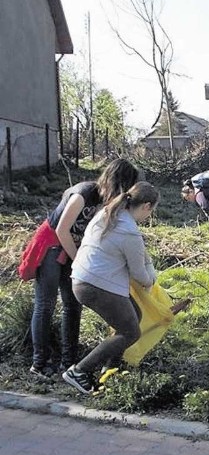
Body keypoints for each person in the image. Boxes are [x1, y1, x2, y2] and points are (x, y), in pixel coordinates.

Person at [20, 158, 139, 380]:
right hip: (53, 244)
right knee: (46, 304)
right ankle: (39, 363)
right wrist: (79, 261)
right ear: (117, 181)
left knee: (72, 305)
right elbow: (63, 229)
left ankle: (69, 362)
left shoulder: (107, 203)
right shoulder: (84, 193)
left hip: (74, 249)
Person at [62, 181, 159, 394]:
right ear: (147, 206)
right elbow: (139, 274)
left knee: (135, 314)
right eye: (150, 212)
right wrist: (152, 279)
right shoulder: (129, 231)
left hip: (82, 279)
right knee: (130, 332)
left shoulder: (109, 212)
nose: (148, 217)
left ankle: (110, 370)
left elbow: (136, 255)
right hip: (96, 285)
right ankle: (78, 371)